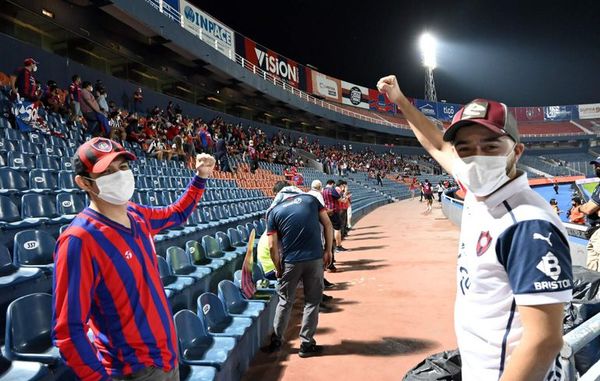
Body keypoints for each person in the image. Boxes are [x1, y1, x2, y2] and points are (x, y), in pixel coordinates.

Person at [378, 75, 572, 380]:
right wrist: (401, 101)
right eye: (465, 148)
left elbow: (544, 340)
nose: (476, 157)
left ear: (516, 152)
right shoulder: (480, 190)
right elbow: (435, 142)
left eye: (490, 146)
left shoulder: (528, 224)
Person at [52, 137, 216, 381]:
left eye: (123, 167)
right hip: (135, 372)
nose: (119, 176)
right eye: (107, 172)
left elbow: (177, 213)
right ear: (84, 183)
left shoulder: (136, 214)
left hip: (168, 356)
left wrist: (200, 177)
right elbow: (68, 331)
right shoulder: (79, 240)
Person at [264, 181, 333, 357]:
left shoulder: (274, 212)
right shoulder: (311, 200)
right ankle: (306, 344)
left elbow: (272, 246)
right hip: (314, 259)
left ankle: (277, 340)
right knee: (312, 301)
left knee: (285, 301)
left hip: (290, 262)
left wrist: (278, 268)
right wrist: (328, 250)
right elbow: (327, 224)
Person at [579, 158, 600, 271]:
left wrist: (579, 208)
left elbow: (588, 209)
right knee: (592, 272)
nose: (597, 168)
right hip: (595, 232)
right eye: (596, 165)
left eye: (599, 165)